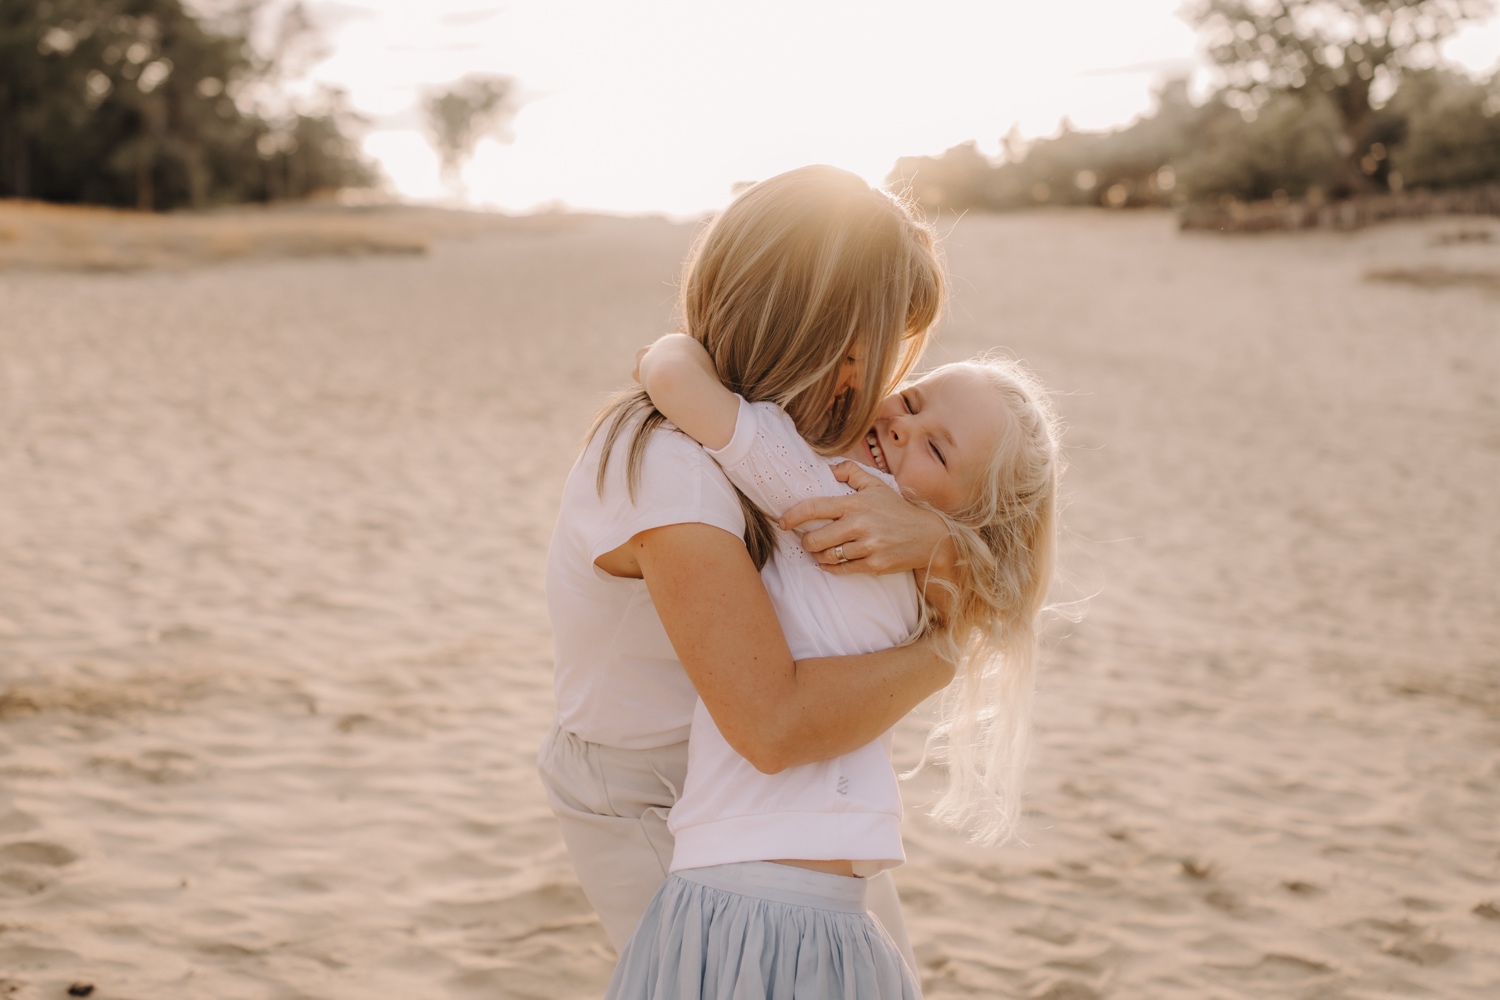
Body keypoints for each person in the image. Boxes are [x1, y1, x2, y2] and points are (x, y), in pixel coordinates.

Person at [538, 166, 957, 962]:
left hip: (775, 777)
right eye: (882, 346)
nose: (878, 383)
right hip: (650, 792)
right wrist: (950, 650)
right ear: (829, 342)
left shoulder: (780, 429)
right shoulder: (670, 465)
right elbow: (774, 723)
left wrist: (936, 544)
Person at [609, 337, 1062, 999]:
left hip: (756, 907)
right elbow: (1008, 591)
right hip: (783, 904)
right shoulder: (941, 591)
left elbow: (673, 374)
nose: (900, 425)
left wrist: (670, 345)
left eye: (936, 449)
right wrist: (945, 542)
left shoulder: (823, 491)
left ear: (968, 514)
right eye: (908, 400)